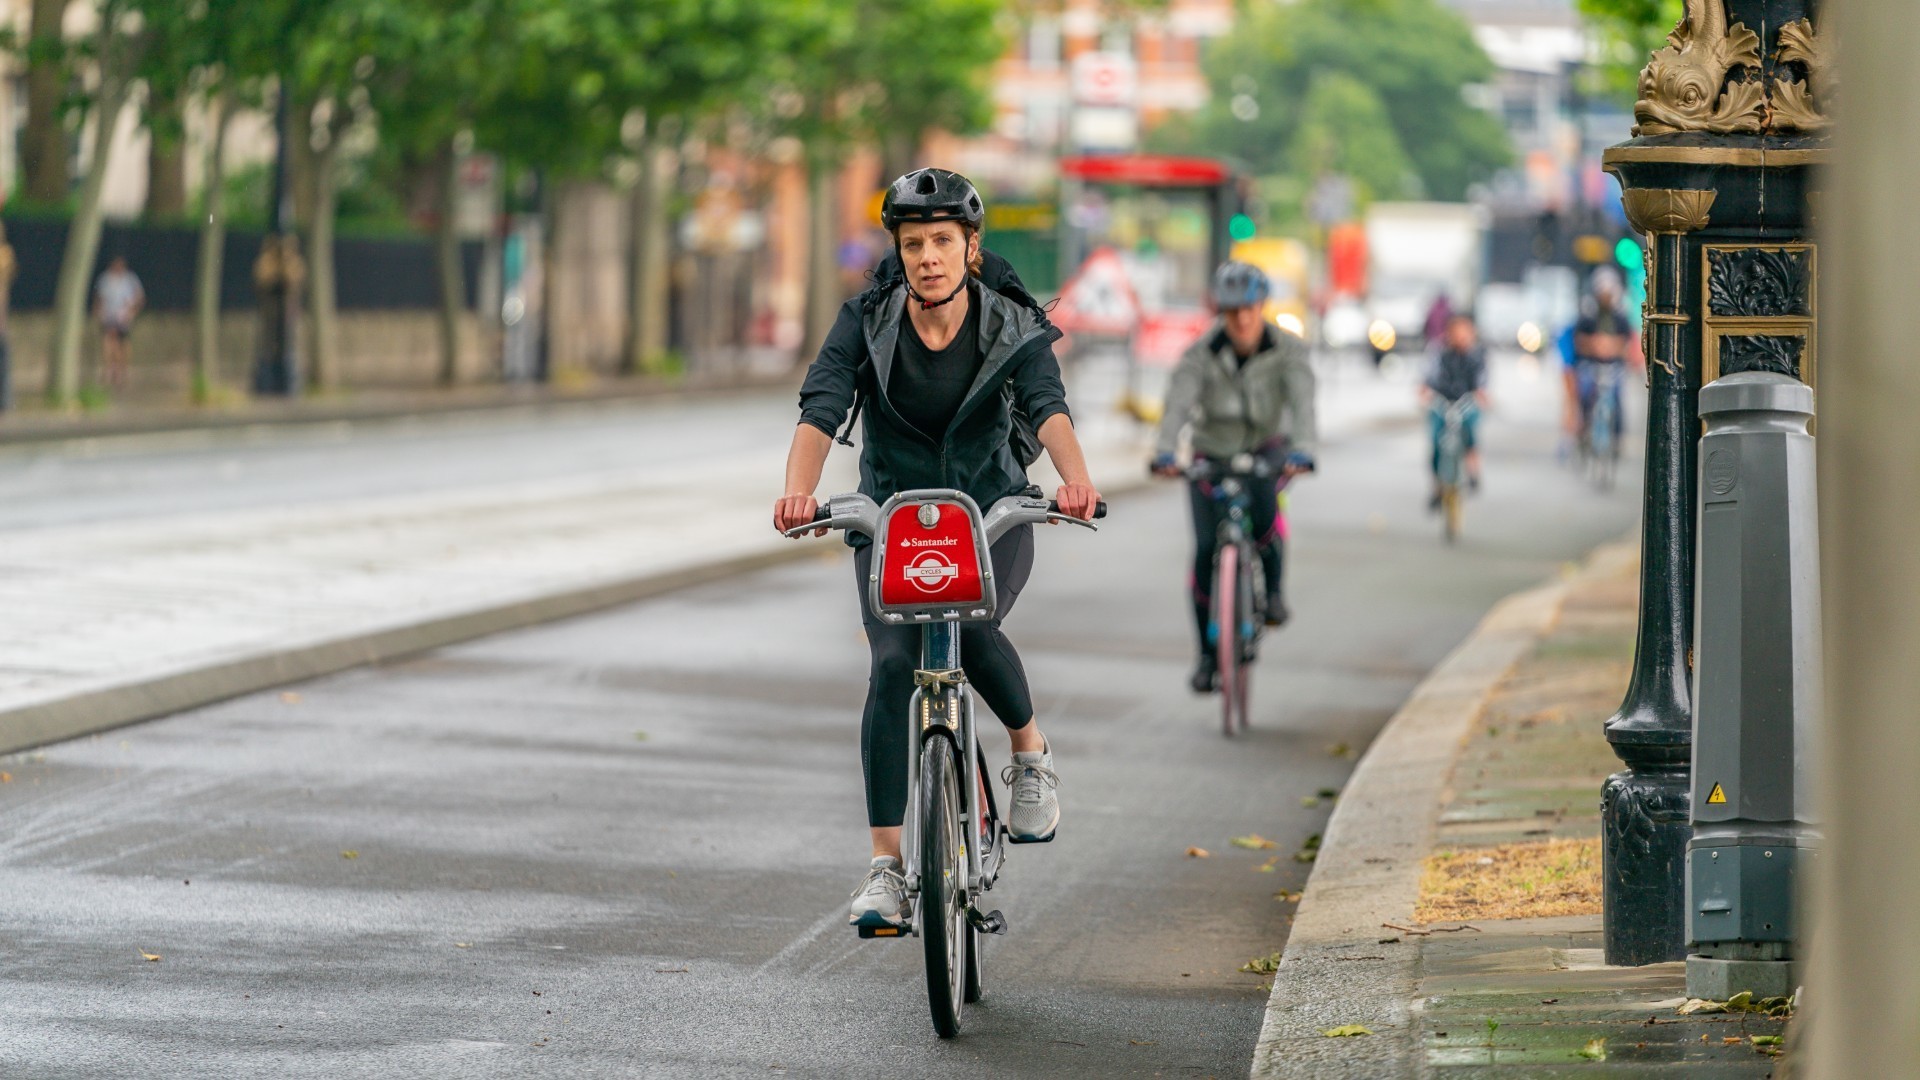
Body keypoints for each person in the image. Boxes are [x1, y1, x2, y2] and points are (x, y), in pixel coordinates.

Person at [773, 168, 1101, 931]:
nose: (928, 257)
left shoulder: (1010, 323)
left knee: (974, 627)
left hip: (989, 514)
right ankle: (887, 867)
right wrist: (798, 490)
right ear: (900, 251)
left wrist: (1075, 481)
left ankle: (1029, 752)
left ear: (970, 248)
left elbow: (1048, 407)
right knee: (893, 664)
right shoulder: (868, 319)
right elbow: (822, 403)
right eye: (914, 243)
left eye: (943, 242)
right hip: (892, 518)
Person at [1150, 261, 1317, 693]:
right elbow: (1178, 403)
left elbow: (1303, 404)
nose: (1241, 319)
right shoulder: (1200, 353)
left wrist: (1303, 450)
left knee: (1265, 520)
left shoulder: (1288, 350)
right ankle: (1207, 657)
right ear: (1220, 311)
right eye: (1231, 310)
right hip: (1213, 452)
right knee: (1206, 547)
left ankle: (1274, 593)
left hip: (1268, 447)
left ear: (1261, 306)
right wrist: (1166, 451)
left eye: (1248, 308)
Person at [1422, 312, 1488, 507]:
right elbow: (1427, 377)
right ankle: (1437, 486)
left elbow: (1484, 382)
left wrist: (1482, 395)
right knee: (1435, 441)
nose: (1461, 336)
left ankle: (1473, 471)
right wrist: (1425, 392)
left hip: (1466, 403)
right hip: (1442, 402)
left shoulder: (1478, 355)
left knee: (1471, 434)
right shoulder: (1438, 353)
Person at [1566, 267, 1631, 448]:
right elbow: (1578, 340)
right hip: (1590, 364)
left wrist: (1612, 347)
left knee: (1617, 397)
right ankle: (1584, 427)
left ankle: (1617, 438)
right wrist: (1594, 345)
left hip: (1613, 366)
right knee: (1586, 392)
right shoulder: (1588, 315)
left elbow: (1627, 342)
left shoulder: (1620, 317)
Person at [93, 255, 145, 391]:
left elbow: (139, 297)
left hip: (123, 316)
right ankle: (111, 368)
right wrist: (99, 312)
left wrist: (132, 312)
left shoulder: (130, 279)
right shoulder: (105, 279)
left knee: (123, 342)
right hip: (109, 315)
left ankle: (123, 369)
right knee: (109, 340)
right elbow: (99, 297)